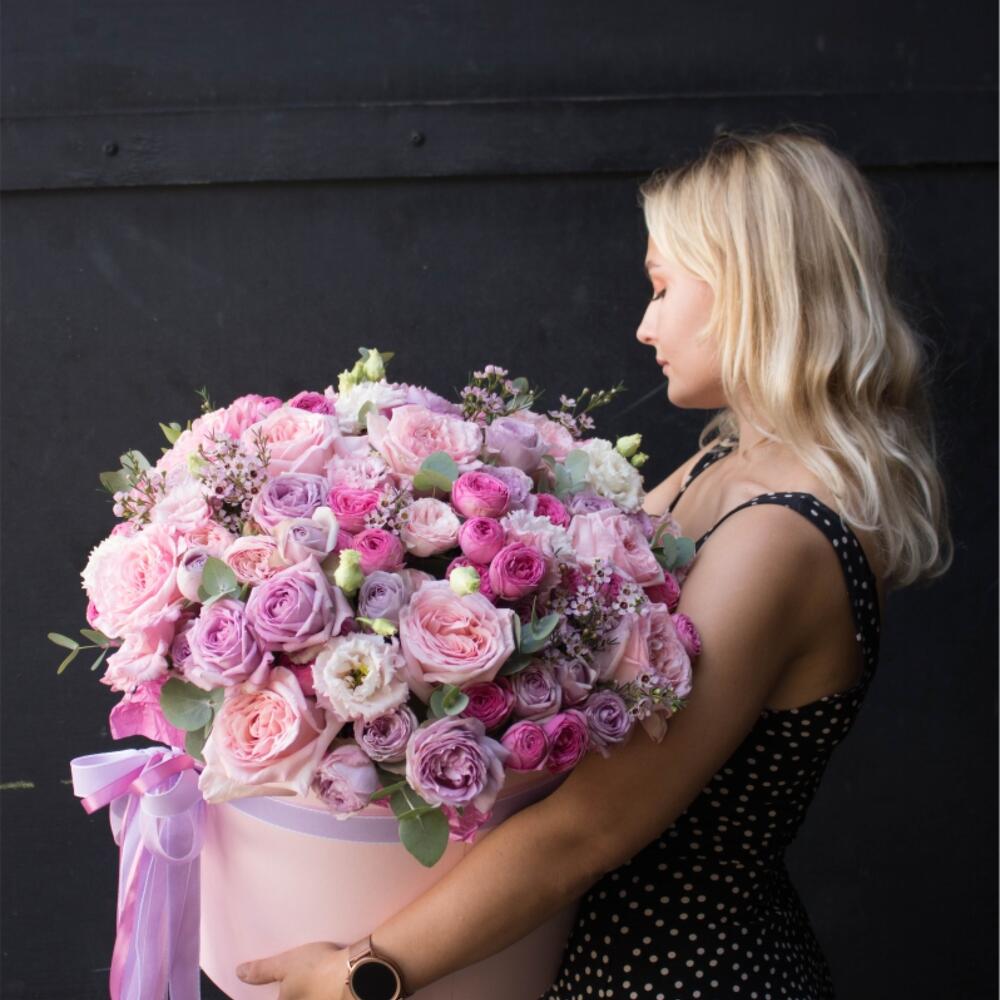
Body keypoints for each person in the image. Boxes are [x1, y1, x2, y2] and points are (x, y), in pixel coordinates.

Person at [235, 128, 953, 1000]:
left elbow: (593, 825)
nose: (645, 324)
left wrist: (361, 977)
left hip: (681, 975)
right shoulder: (722, 464)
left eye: (664, 287)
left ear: (752, 290)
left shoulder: (782, 539)